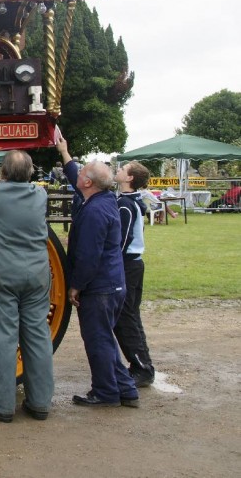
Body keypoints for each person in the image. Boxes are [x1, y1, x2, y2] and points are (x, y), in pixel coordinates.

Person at [0, 150, 54, 422]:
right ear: (30, 174)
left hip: (1, 273)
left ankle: (2, 405)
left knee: (3, 336)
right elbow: (11, 187)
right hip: (37, 273)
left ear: (3, 173)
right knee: (37, 336)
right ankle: (39, 403)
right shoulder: (40, 195)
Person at [62, 148, 139, 408]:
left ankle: (105, 393)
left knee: (98, 342)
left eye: (82, 171)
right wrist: (65, 154)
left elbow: (88, 257)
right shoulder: (102, 199)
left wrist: (75, 286)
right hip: (111, 283)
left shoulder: (95, 211)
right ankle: (127, 390)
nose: (79, 173)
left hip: (100, 287)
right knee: (104, 338)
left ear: (87, 183)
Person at [115, 162, 156, 387]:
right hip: (134, 263)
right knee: (131, 315)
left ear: (129, 178)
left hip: (128, 264)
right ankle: (144, 363)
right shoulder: (134, 201)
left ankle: (141, 366)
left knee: (125, 316)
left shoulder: (125, 204)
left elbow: (121, 240)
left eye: (123, 169)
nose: (118, 170)